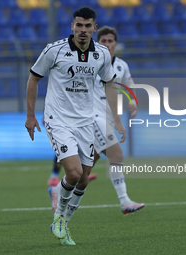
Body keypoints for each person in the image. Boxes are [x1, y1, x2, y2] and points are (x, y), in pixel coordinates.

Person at [25, 7, 126, 246]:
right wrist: (30, 115)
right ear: (72, 26)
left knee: (83, 179)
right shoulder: (54, 50)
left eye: (87, 26)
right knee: (73, 173)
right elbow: (33, 78)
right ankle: (59, 216)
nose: (82, 30)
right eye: (78, 25)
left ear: (94, 27)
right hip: (58, 119)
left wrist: (117, 118)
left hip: (85, 121)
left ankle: (64, 224)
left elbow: (109, 84)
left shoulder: (101, 54)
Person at [49, 26, 144, 215]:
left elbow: (128, 86)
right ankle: (125, 201)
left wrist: (133, 101)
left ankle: (58, 190)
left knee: (85, 169)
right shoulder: (88, 61)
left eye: (110, 41)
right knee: (117, 155)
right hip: (91, 118)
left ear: (115, 44)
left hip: (107, 119)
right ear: (97, 42)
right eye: (103, 41)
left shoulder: (121, 66)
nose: (107, 44)